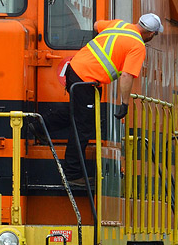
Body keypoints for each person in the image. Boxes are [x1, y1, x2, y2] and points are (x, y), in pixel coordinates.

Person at [44, 13, 162, 186]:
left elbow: (96, 24)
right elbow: (127, 76)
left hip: (74, 69)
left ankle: (40, 126)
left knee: (78, 112)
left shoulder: (119, 24)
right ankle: (72, 174)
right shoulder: (138, 45)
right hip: (85, 78)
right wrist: (124, 103)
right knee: (83, 125)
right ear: (151, 34)